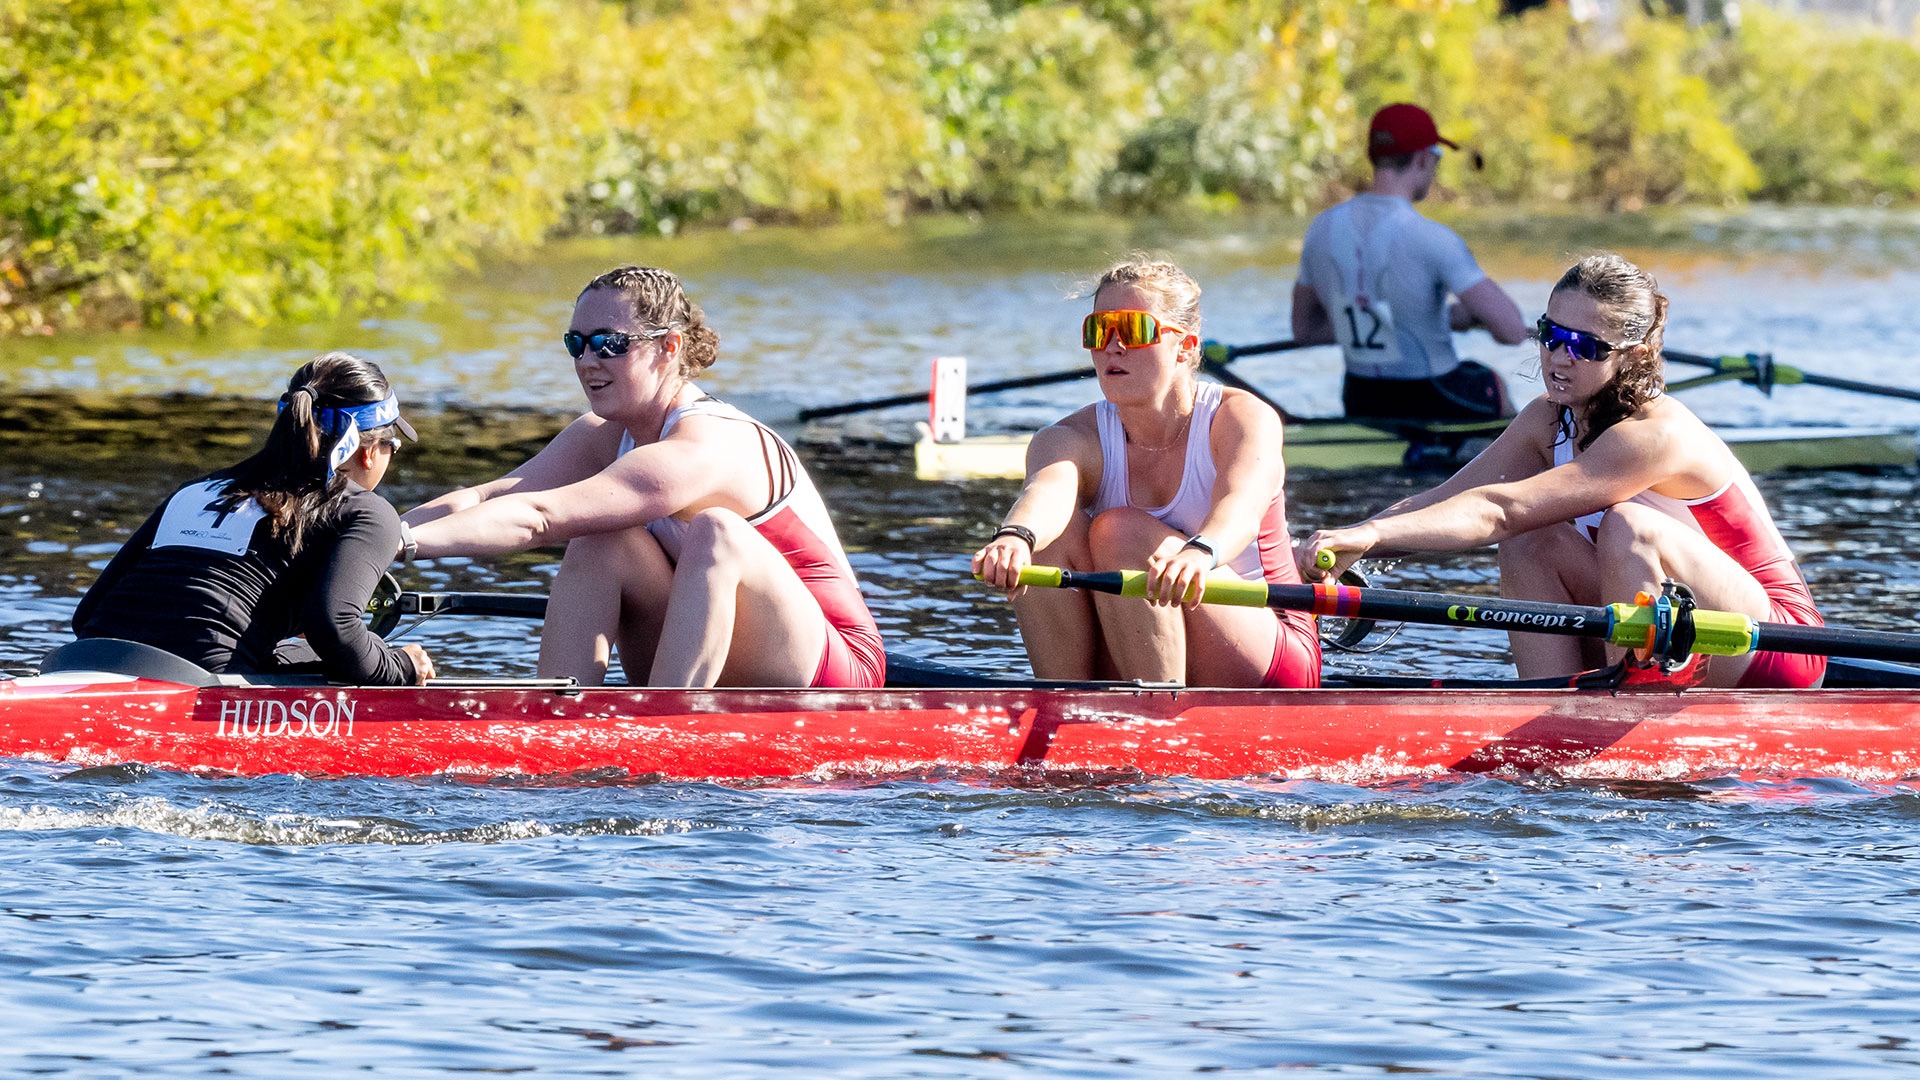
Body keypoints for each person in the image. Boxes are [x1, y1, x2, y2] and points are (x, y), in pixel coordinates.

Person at [1297, 253, 1825, 689]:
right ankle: (1552, 706)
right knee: (1531, 540)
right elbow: (1446, 500)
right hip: (1678, 630)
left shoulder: (1654, 434)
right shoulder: (1545, 420)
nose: (1558, 356)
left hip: (1777, 644)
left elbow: (1501, 510)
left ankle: (1634, 699)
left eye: (1584, 346)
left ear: (1634, 355)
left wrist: (1369, 535)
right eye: (1551, 333)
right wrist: (1345, 543)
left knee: (1627, 525)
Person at [400, 265, 885, 689]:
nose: (588, 361)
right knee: (600, 540)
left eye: (610, 344)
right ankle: (551, 720)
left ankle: (665, 729)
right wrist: (366, 539)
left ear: (668, 348)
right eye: (576, 344)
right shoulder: (601, 436)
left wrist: (401, 547)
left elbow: (538, 518)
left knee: (718, 530)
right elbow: (487, 498)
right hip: (712, 645)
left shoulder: (704, 444)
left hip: (836, 665)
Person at [971, 258, 1321, 688]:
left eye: (1133, 330)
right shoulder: (1068, 437)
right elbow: (1047, 492)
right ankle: (1064, 708)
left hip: (1271, 649)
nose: (1113, 348)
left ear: (1186, 347)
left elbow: (1240, 510)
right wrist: (1014, 538)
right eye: (1099, 331)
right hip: (1143, 636)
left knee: (1121, 533)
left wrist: (1200, 553)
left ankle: (1152, 724)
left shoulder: (1242, 418)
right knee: (1048, 539)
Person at [72, 352, 433, 685]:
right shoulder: (367, 512)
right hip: (200, 685)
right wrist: (400, 666)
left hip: (80, 662)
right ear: (369, 452)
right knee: (364, 652)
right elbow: (334, 628)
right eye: (393, 446)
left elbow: (87, 614)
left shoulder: (198, 489)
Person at [1292, 102, 1531, 420]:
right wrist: (1467, 315)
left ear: (1374, 157)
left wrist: (1427, 318)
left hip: (1360, 397)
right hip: (1435, 397)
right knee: (1490, 381)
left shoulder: (1320, 229)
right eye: (1437, 159)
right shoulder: (1432, 237)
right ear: (1424, 158)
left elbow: (1305, 332)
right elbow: (1512, 331)